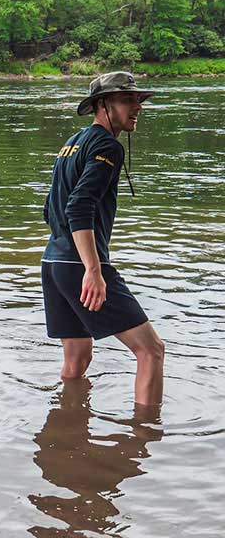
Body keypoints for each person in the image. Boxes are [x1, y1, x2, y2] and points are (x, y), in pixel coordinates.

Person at [41, 71, 165, 409]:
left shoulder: (72, 142)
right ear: (102, 105)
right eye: (128, 100)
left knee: (77, 359)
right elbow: (78, 208)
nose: (137, 106)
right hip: (78, 265)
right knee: (151, 350)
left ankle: (66, 428)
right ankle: (145, 438)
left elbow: (50, 209)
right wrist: (93, 270)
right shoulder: (107, 146)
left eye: (138, 99)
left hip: (53, 262)